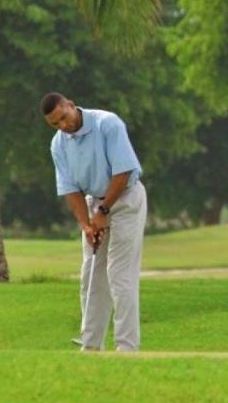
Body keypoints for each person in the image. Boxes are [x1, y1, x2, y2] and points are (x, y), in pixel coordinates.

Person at [42, 92, 148, 352]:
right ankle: (90, 346)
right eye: (56, 124)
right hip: (93, 204)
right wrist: (87, 225)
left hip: (125, 200)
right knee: (90, 274)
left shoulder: (107, 123)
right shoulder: (59, 144)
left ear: (70, 104)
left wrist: (103, 210)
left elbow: (123, 171)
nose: (63, 126)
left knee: (119, 274)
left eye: (64, 118)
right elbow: (69, 188)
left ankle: (126, 347)